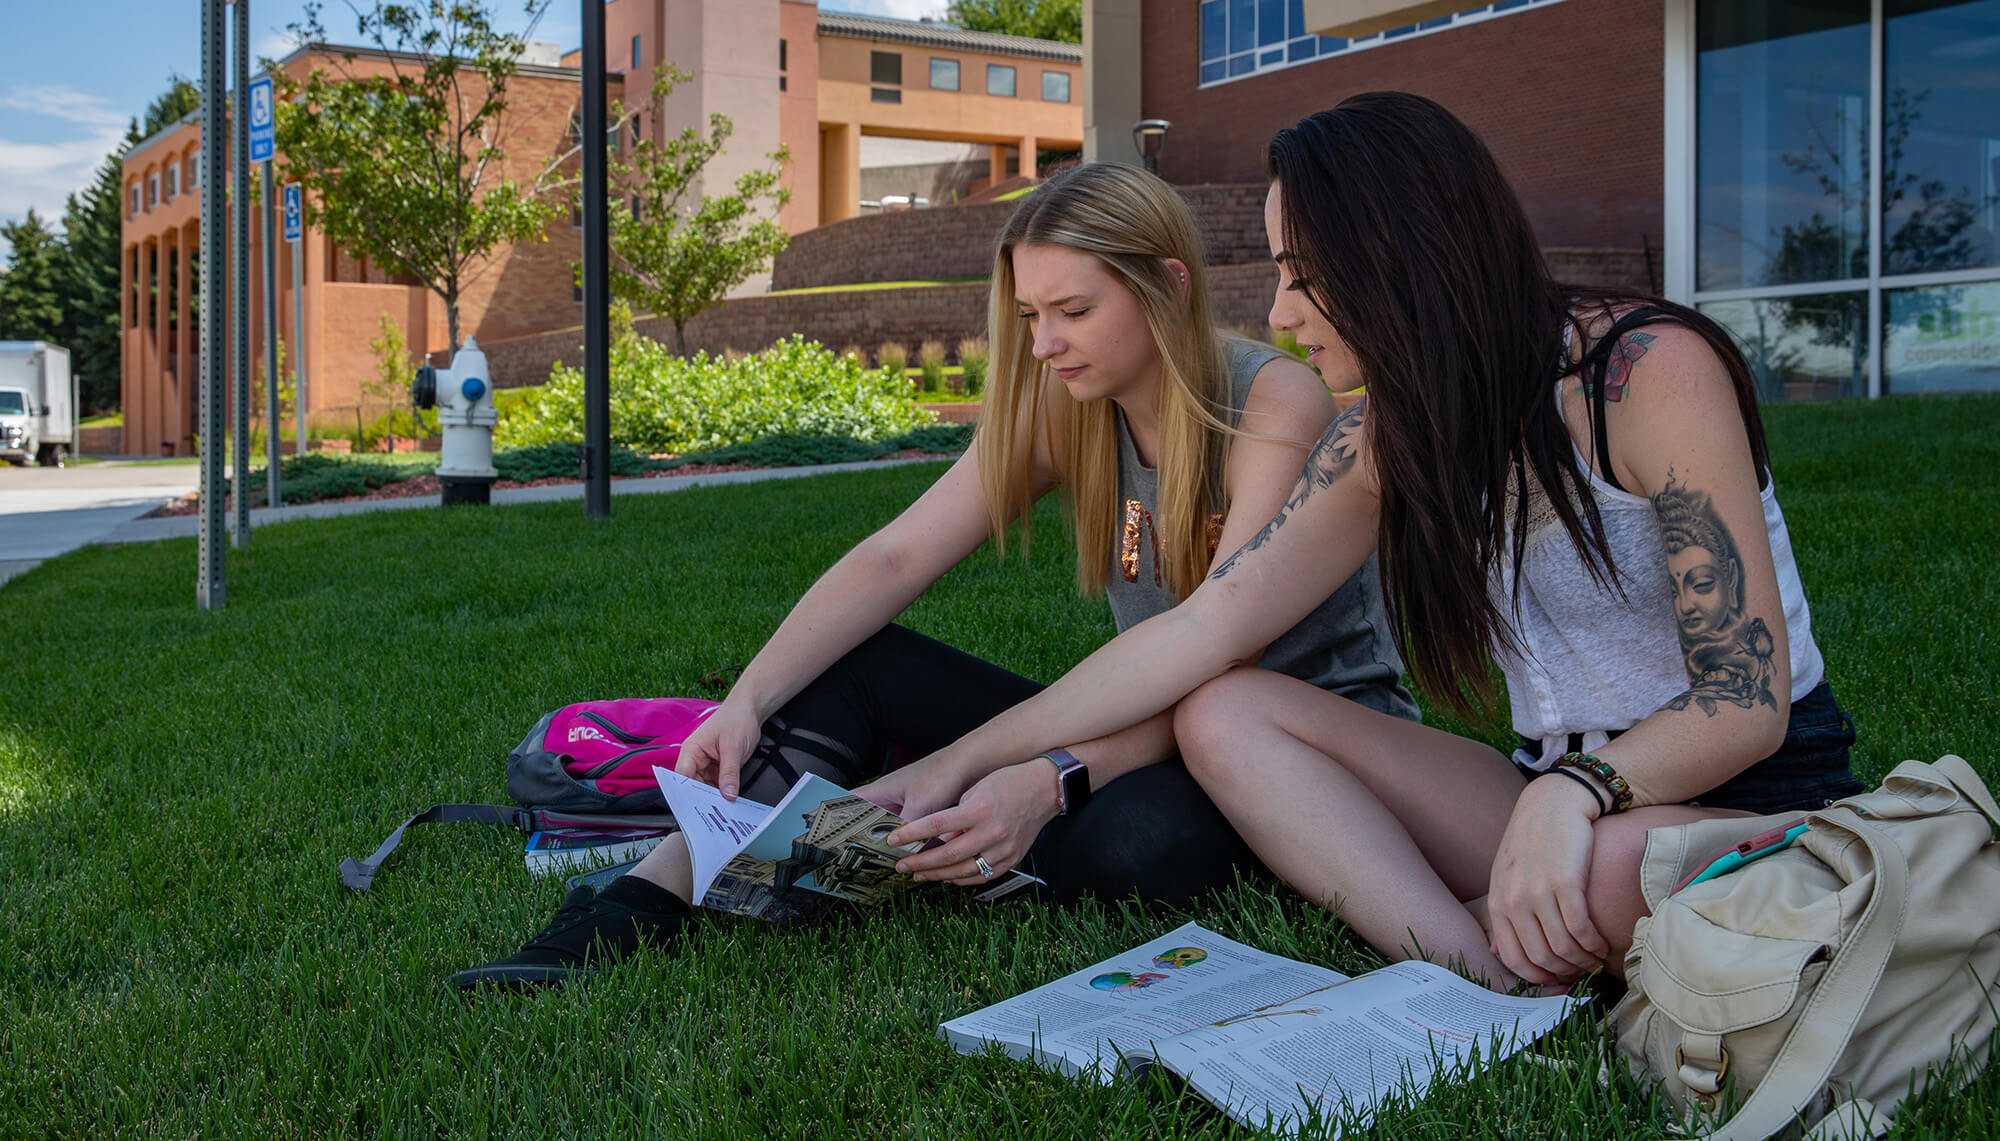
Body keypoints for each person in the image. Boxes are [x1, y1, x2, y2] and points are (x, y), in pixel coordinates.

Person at [891, 93, 1867, 992]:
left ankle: (1510, 937)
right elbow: (1204, 627)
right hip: (1543, 789)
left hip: (1735, 787)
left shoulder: (1643, 371)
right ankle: (1463, 969)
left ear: (1402, 255)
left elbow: (1744, 705)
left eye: (1302, 276)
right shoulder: (1383, 436)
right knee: (1223, 709)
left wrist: (1578, 791)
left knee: (1602, 865)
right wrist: (962, 762)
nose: (1278, 312)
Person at [455, 162, 1416, 989]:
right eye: (1032, 314)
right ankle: (649, 889)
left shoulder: (1270, 401)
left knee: (1136, 847)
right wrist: (744, 702)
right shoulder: (1068, 404)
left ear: (1167, 285)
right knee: (854, 666)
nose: (1042, 344)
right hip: (1137, 718)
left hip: (1282, 754)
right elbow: (895, 556)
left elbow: (1214, 655)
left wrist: (1042, 777)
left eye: (1073, 311)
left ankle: (866, 833)